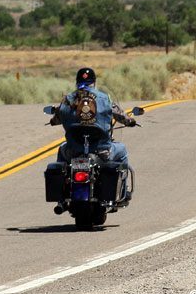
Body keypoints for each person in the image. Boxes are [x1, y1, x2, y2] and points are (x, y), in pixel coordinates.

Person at [56, 67, 136, 198]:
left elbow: (58, 117)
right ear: (94, 82)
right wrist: (130, 121)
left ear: (77, 82)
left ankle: (61, 193)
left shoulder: (67, 100)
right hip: (102, 151)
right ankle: (123, 192)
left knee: (61, 151)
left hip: (73, 151)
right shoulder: (105, 99)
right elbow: (121, 116)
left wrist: (54, 120)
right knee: (122, 151)